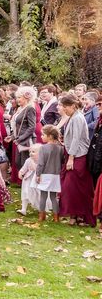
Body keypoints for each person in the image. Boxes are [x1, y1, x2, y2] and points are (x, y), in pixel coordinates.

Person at [59, 94, 95, 226]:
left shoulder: (78, 118)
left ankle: (84, 217)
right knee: (71, 188)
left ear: (73, 105)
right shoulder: (73, 117)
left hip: (78, 156)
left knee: (77, 188)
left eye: (65, 106)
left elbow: (76, 139)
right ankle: (75, 215)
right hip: (72, 154)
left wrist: (71, 158)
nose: (64, 109)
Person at [32, 125, 63, 222]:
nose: (41, 136)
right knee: (54, 197)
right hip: (56, 175)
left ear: (49, 136)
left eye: (43, 135)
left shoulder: (43, 148)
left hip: (45, 174)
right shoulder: (61, 148)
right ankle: (56, 217)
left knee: (43, 196)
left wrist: (38, 174)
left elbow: (41, 164)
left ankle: (41, 216)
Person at [7, 86, 37, 171]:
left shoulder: (30, 108)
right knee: (18, 163)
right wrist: (12, 137)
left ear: (26, 98)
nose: (17, 99)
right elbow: (18, 126)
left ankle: (29, 183)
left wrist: (20, 138)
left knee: (26, 164)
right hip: (19, 139)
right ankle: (24, 183)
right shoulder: (20, 108)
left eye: (19, 97)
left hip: (27, 140)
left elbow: (32, 127)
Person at [17, 144, 41, 216]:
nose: (31, 153)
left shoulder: (42, 161)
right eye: (30, 151)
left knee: (38, 194)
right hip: (28, 180)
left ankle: (41, 208)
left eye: (33, 152)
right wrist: (21, 173)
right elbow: (24, 168)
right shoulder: (28, 160)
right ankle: (23, 209)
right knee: (25, 193)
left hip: (37, 180)